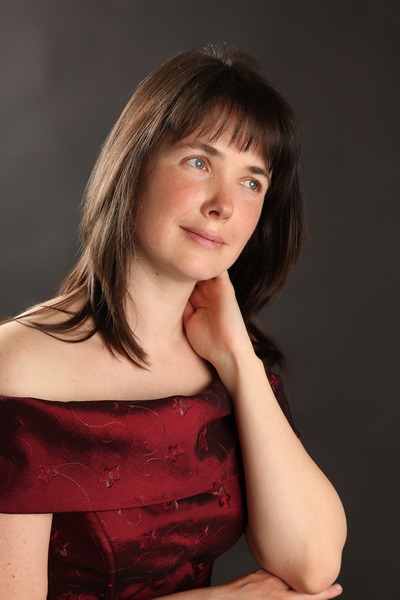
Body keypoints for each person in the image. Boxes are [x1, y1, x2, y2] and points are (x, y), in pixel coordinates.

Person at [0, 45, 346, 600]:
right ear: (134, 164)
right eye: (199, 162)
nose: (223, 205)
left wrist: (238, 358)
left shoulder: (229, 360)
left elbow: (313, 565)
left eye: (252, 182)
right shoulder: (18, 367)